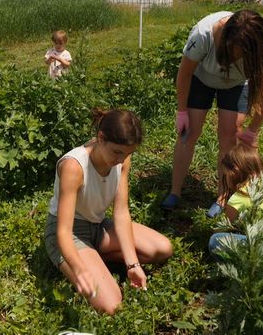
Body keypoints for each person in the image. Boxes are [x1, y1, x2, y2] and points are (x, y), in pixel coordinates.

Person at [44, 108, 173, 314]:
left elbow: (121, 213)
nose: (121, 160)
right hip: (69, 234)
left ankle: (94, 257)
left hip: (98, 226)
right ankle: (79, 261)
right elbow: (63, 231)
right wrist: (79, 269)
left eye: (128, 154)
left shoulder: (122, 159)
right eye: (117, 152)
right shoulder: (74, 167)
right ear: (100, 138)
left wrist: (132, 265)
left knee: (162, 248)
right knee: (111, 305)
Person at [161, 10, 263, 216]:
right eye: (233, 51)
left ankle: (222, 196)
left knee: (230, 136)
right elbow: (185, 73)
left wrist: (253, 130)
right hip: (201, 79)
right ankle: (175, 191)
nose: (235, 57)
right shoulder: (203, 35)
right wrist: (182, 111)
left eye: (242, 54)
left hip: (237, 84)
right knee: (189, 132)